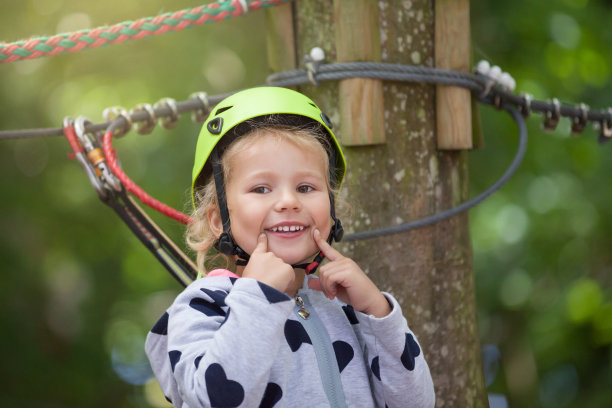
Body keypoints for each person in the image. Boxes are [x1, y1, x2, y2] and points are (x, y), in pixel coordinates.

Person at [145, 86, 435, 408]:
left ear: (332, 207)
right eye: (261, 188)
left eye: (306, 187)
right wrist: (257, 296)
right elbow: (216, 401)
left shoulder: (344, 305)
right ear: (218, 219)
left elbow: (416, 404)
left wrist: (377, 313)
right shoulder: (205, 306)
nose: (288, 201)